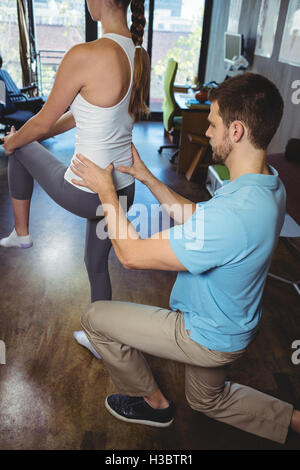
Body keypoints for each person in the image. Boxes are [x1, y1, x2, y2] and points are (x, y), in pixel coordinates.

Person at [70, 73, 300, 444]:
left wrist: (106, 193)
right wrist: (147, 177)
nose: (207, 132)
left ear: (236, 131)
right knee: (207, 400)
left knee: (95, 318)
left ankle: (154, 405)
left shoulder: (234, 215)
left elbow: (129, 255)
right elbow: (200, 217)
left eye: (213, 124)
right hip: (234, 328)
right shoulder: (269, 184)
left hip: (204, 333)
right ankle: (293, 420)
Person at [0, 0, 150, 357]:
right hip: (122, 193)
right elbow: (77, 113)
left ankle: (21, 234)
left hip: (87, 192)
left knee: (23, 149)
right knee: (95, 264)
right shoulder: (138, 53)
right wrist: (32, 131)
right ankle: (102, 341)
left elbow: (40, 122)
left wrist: (12, 142)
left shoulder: (85, 54)